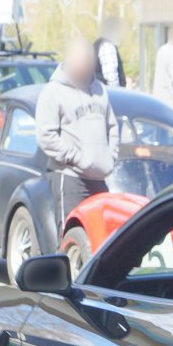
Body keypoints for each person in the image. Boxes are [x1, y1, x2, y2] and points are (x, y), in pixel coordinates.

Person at [37, 36, 119, 226]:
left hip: (99, 178)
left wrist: (110, 157)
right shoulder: (53, 92)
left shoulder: (100, 90)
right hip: (70, 178)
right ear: (70, 61)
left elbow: (112, 127)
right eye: (81, 62)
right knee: (72, 235)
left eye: (88, 62)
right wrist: (76, 158)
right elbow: (46, 137)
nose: (85, 67)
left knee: (102, 239)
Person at [94, 16, 128, 89]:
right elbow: (111, 78)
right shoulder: (107, 46)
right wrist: (118, 95)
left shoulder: (99, 44)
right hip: (108, 95)